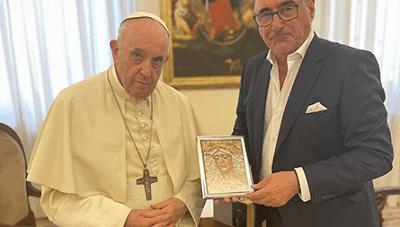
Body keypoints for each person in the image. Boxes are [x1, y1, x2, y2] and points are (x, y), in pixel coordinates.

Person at [27, 12, 204, 227]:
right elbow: (56, 198)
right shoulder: (72, 103)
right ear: (115, 50)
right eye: (137, 56)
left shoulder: (179, 104)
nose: (147, 72)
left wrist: (182, 202)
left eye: (157, 61)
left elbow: (199, 178)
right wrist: (122, 219)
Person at [232, 0, 394, 226]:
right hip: (268, 218)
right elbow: (242, 135)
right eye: (265, 15)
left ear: (310, 8)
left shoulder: (350, 65)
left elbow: (376, 155)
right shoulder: (253, 69)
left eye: (287, 9)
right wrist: (227, 177)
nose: (276, 24)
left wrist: (298, 180)